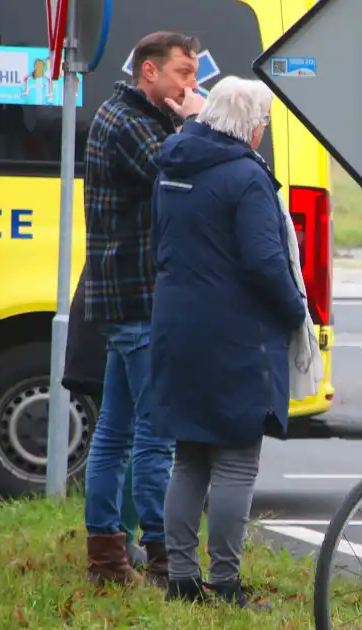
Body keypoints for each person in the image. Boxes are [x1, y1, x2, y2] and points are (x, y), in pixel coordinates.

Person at [149, 76, 314, 608]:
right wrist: (295, 311)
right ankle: (224, 584)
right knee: (236, 462)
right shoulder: (245, 176)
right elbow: (265, 262)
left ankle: (180, 579)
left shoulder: (171, 166)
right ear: (255, 127)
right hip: (234, 333)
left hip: (177, 325)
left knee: (188, 457)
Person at [81, 30, 207, 588]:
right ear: (149, 72)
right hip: (138, 298)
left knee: (114, 430)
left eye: (195, 74)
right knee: (153, 436)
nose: (192, 84)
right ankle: (163, 561)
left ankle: (108, 555)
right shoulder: (131, 123)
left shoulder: (126, 114)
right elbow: (181, 170)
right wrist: (200, 119)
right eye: (184, 72)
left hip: (126, 296)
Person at [62, 265, 146, 570]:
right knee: (135, 436)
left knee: (114, 434)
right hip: (131, 318)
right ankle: (123, 538)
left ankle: (108, 541)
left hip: (100, 313)